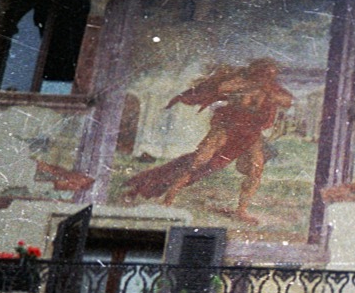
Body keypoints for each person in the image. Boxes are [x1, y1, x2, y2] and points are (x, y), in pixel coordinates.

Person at [123, 58, 293, 224]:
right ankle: (168, 199)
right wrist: (252, 86)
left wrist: (267, 90)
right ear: (257, 71)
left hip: (251, 134)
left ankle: (240, 210)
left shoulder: (270, 88)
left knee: (256, 170)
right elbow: (222, 87)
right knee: (198, 162)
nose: (268, 77)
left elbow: (286, 101)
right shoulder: (241, 81)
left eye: (271, 75)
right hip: (227, 128)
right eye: (266, 73)